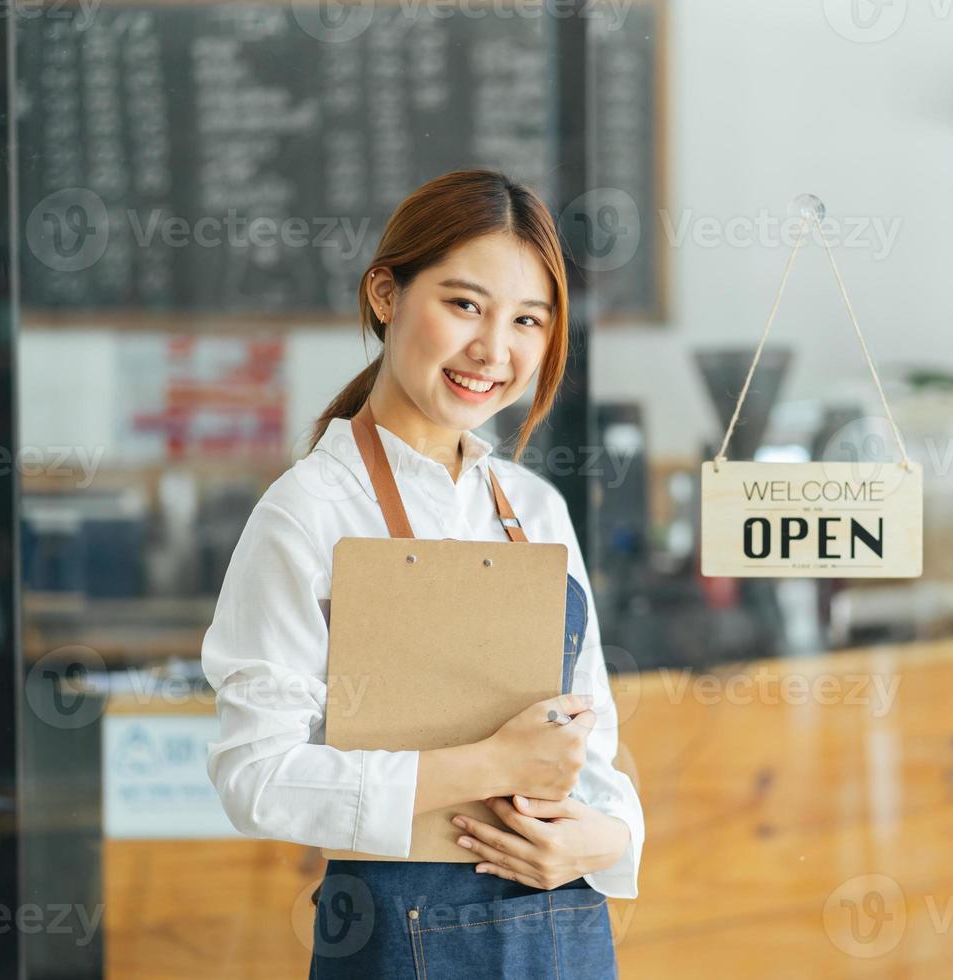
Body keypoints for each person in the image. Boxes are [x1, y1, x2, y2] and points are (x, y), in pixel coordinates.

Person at [201, 169, 643, 978]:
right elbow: (255, 775)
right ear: (384, 294)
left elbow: (598, 754)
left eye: (527, 321)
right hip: (394, 938)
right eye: (464, 305)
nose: (493, 351)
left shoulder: (535, 509)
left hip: (566, 926)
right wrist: (490, 766)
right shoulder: (308, 513)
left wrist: (600, 840)